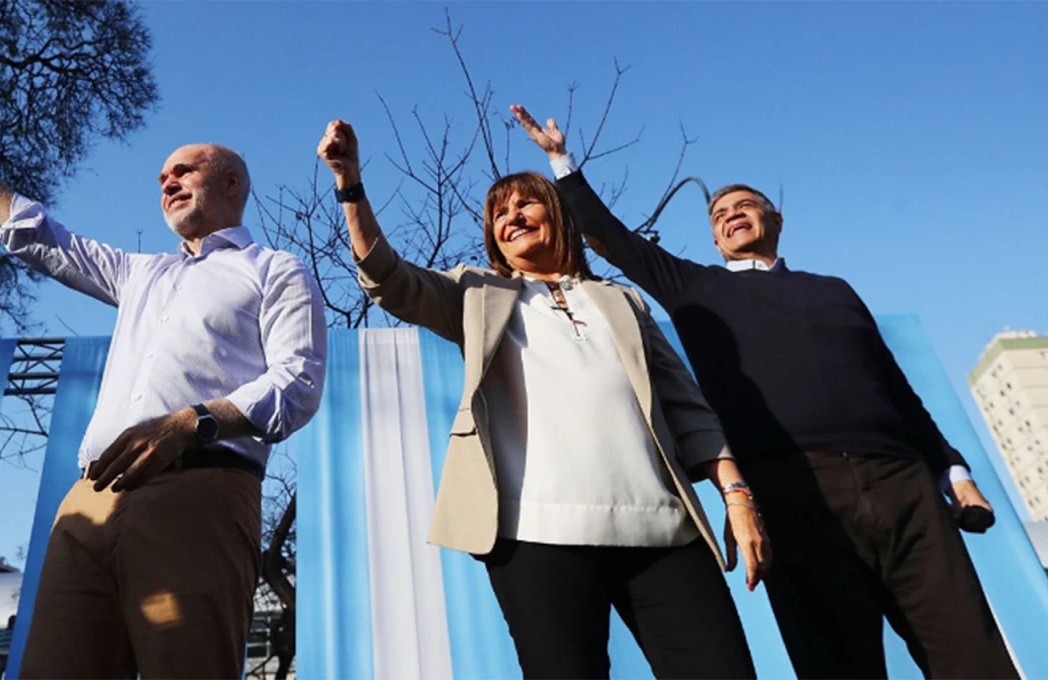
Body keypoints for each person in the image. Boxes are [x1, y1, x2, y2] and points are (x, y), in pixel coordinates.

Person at [511, 104, 1017, 679]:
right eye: (719, 214)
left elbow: (898, 390)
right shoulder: (693, 288)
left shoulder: (835, 291)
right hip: (790, 489)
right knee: (837, 662)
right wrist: (561, 161)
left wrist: (952, 470)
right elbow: (611, 238)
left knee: (971, 652)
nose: (731, 217)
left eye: (744, 206)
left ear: (775, 219)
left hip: (904, 485)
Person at [318, 119, 768, 679]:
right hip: (534, 538)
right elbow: (390, 280)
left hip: (664, 531)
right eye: (500, 214)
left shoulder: (621, 300)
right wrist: (350, 184)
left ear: (558, 217)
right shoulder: (477, 292)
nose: (512, 217)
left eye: (526, 204)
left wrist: (737, 495)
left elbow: (687, 407)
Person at [0, 76, 327, 677]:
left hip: (200, 494)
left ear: (231, 183)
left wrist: (190, 422)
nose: (166, 182)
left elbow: (298, 383)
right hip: (91, 500)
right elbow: (38, 237)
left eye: (183, 170)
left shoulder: (276, 271)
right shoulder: (139, 273)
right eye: (160, 179)